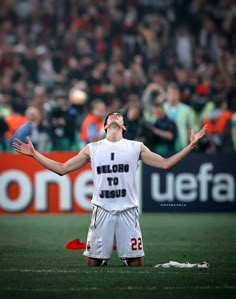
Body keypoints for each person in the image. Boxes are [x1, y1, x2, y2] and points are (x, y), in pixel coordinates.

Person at [13, 112, 207, 267]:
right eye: (110, 116)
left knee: (136, 264)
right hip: (102, 210)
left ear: (123, 126)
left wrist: (190, 146)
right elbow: (62, 169)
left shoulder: (136, 147)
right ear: (105, 126)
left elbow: (166, 164)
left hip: (128, 211)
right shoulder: (93, 148)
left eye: (118, 116)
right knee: (92, 263)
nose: (114, 116)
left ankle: (118, 253)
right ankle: (103, 255)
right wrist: (34, 154)